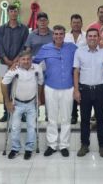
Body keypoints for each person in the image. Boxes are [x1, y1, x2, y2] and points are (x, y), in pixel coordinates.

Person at [34, 25, 77, 157]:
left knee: (66, 118)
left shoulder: (72, 48)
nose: (58, 36)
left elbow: (81, 59)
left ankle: (64, 145)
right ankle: (52, 145)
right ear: (53, 35)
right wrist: (16, 63)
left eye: (61, 34)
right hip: (51, 87)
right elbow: (33, 61)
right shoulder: (45, 48)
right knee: (51, 118)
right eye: (56, 34)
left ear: (64, 35)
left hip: (68, 88)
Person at [74, 28, 103, 158]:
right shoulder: (79, 51)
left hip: (100, 90)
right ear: (86, 38)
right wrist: (76, 90)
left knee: (101, 119)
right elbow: (76, 71)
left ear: (98, 38)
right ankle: (84, 145)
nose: (92, 38)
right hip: (84, 90)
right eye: (90, 36)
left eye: (94, 36)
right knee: (84, 119)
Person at [1, 51, 43, 160]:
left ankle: (29, 149)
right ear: (19, 60)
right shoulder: (14, 70)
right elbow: (4, 83)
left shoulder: (37, 69)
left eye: (28, 59)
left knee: (32, 127)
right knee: (15, 127)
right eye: (23, 59)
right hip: (17, 103)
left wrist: (38, 97)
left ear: (31, 60)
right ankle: (15, 149)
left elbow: (40, 83)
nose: (26, 61)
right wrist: (7, 102)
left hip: (31, 103)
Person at [0, 4, 29, 123]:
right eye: (11, 11)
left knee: (19, 86)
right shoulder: (1, 29)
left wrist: (16, 59)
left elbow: (24, 46)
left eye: (15, 11)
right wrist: (5, 59)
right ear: (8, 13)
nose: (13, 13)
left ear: (17, 13)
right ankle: (6, 112)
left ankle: (22, 113)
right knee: (5, 86)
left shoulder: (24, 29)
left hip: (19, 62)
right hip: (2, 63)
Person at [25, 12, 53, 122]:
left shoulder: (52, 34)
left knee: (48, 91)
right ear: (37, 22)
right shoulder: (31, 35)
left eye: (44, 20)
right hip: (35, 66)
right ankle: (35, 113)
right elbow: (27, 50)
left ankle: (48, 114)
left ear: (48, 21)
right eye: (40, 20)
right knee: (34, 90)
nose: (42, 22)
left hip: (49, 67)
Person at [64, 14, 87, 124]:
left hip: (84, 68)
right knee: (72, 90)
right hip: (69, 67)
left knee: (83, 91)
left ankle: (84, 114)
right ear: (71, 23)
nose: (76, 24)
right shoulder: (65, 36)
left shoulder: (86, 36)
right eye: (74, 22)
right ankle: (73, 114)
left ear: (81, 23)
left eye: (78, 22)